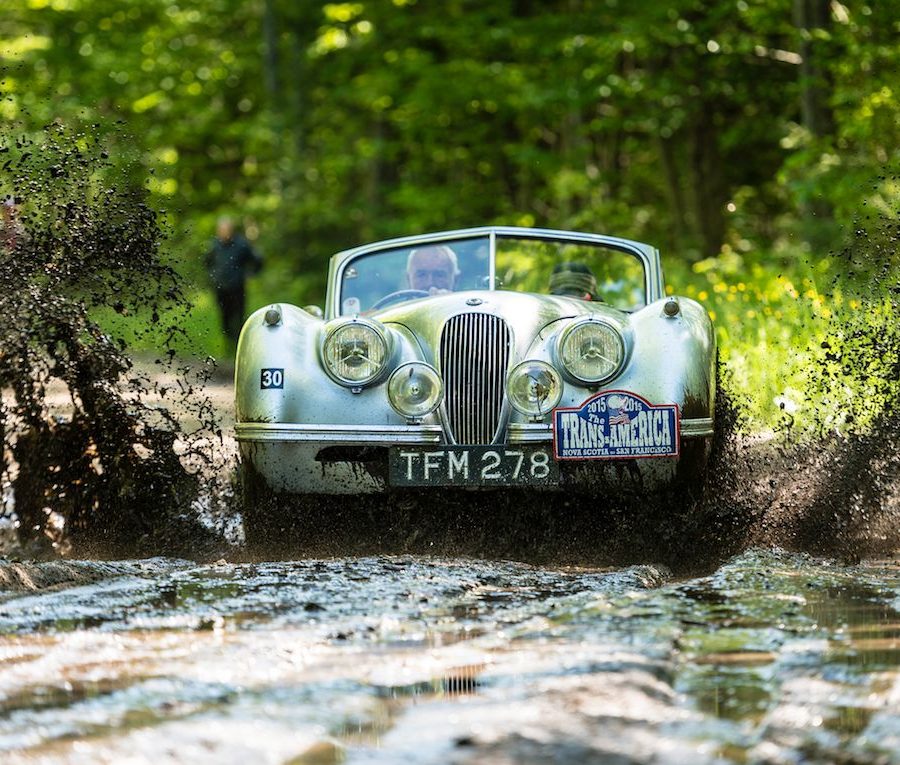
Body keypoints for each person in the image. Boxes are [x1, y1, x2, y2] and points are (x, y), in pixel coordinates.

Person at [204, 216, 262, 346]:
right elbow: (207, 262)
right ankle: (228, 342)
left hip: (237, 286)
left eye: (226, 229)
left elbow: (257, 260)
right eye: (221, 230)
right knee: (224, 314)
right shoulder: (214, 245)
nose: (223, 232)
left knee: (239, 314)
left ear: (231, 230)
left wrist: (251, 274)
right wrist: (213, 276)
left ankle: (240, 342)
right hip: (220, 287)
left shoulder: (241, 244)